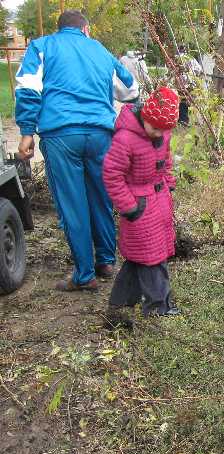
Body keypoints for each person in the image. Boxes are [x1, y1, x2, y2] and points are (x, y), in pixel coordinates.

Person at [15, 10, 137, 291]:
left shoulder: (42, 46)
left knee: (73, 204)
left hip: (61, 135)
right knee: (101, 197)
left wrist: (26, 131)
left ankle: (84, 274)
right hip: (100, 135)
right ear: (86, 29)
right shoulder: (100, 50)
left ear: (60, 29)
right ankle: (106, 261)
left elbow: (28, 88)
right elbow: (130, 89)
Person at [101, 87, 180, 328]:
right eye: (155, 128)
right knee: (152, 259)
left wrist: (169, 183)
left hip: (159, 201)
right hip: (140, 205)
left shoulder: (162, 133)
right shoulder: (125, 139)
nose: (159, 134)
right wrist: (130, 206)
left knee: (139, 257)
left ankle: (120, 302)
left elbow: (165, 161)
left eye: (164, 130)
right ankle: (158, 307)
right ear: (145, 116)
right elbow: (112, 174)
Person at [176, 46, 203, 126]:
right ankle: (196, 120)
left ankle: (183, 120)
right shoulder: (191, 58)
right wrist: (194, 74)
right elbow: (199, 69)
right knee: (192, 102)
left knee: (183, 101)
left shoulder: (178, 58)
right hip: (191, 82)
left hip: (182, 83)